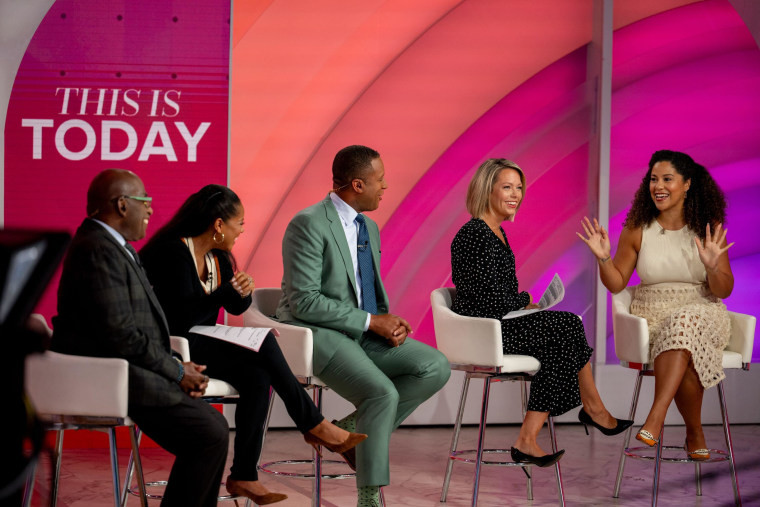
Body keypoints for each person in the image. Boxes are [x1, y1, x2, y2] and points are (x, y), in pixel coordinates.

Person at [139, 184, 366, 505]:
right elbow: (182, 316)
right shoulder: (173, 252)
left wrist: (239, 293)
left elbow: (233, 309)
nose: (242, 230)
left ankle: (245, 473)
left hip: (202, 341)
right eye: (239, 223)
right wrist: (225, 292)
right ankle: (314, 424)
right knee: (264, 347)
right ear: (219, 225)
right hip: (174, 346)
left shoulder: (219, 257)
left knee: (257, 376)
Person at [276, 145, 451, 507]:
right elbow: (303, 301)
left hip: (362, 331)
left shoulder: (367, 225)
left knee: (434, 366)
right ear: (357, 184)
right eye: (379, 181)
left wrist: (384, 322)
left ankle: (350, 428)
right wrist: (372, 321)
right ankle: (368, 497)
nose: (385, 187)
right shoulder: (308, 223)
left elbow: (363, 287)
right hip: (317, 334)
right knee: (381, 394)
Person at [51, 169, 229, 507]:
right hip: (110, 378)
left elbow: (137, 331)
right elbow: (120, 335)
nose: (150, 209)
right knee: (209, 434)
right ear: (121, 205)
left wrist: (177, 366)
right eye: (144, 201)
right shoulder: (97, 249)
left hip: (127, 370)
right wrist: (177, 372)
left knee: (211, 429)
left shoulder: (113, 246)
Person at [450, 158, 632, 467]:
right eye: (507, 187)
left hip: (500, 323)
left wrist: (524, 306)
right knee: (566, 327)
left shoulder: (497, 233)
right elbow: (486, 301)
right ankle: (591, 409)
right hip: (484, 331)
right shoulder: (475, 235)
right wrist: (523, 300)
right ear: (486, 189)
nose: (515, 195)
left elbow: (497, 295)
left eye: (519, 188)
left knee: (565, 332)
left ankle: (533, 436)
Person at [578, 150, 733, 460]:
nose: (658, 186)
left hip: (703, 312)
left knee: (686, 323)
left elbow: (724, 289)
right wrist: (604, 258)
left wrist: (714, 266)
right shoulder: (638, 228)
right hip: (653, 318)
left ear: (687, 183)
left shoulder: (707, 228)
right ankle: (694, 432)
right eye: (653, 179)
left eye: (667, 179)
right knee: (682, 339)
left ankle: (656, 416)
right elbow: (616, 283)